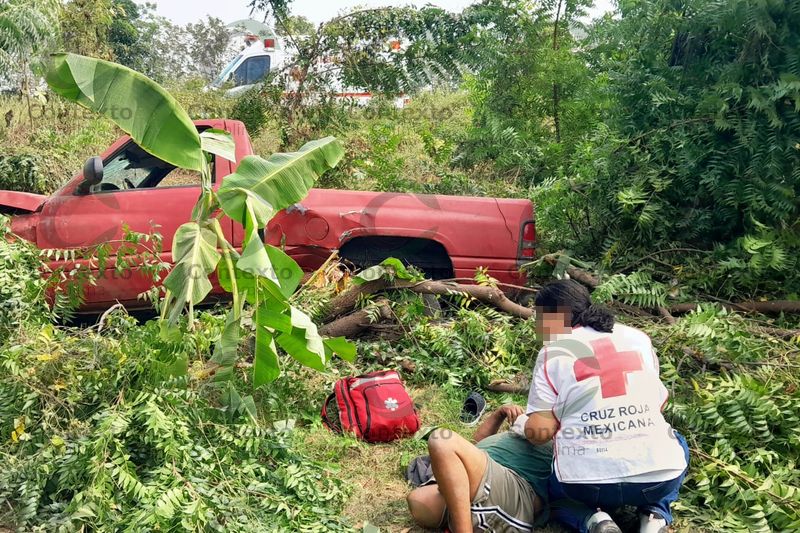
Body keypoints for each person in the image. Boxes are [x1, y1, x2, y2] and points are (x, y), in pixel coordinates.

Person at [524, 279, 689, 533]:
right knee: (677, 441)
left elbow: (538, 433)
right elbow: (657, 406)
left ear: (554, 316)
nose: (537, 326)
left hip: (587, 487)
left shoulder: (552, 352)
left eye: (540, 318)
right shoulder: (638, 338)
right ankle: (655, 516)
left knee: (555, 494)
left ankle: (595, 521)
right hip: (658, 479)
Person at [406, 405, 553, 532]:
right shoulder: (530, 422)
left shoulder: (559, 431)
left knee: (441, 440)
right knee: (419, 501)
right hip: (477, 474)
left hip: (514, 486)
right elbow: (476, 444)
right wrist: (499, 414)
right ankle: (471, 516)